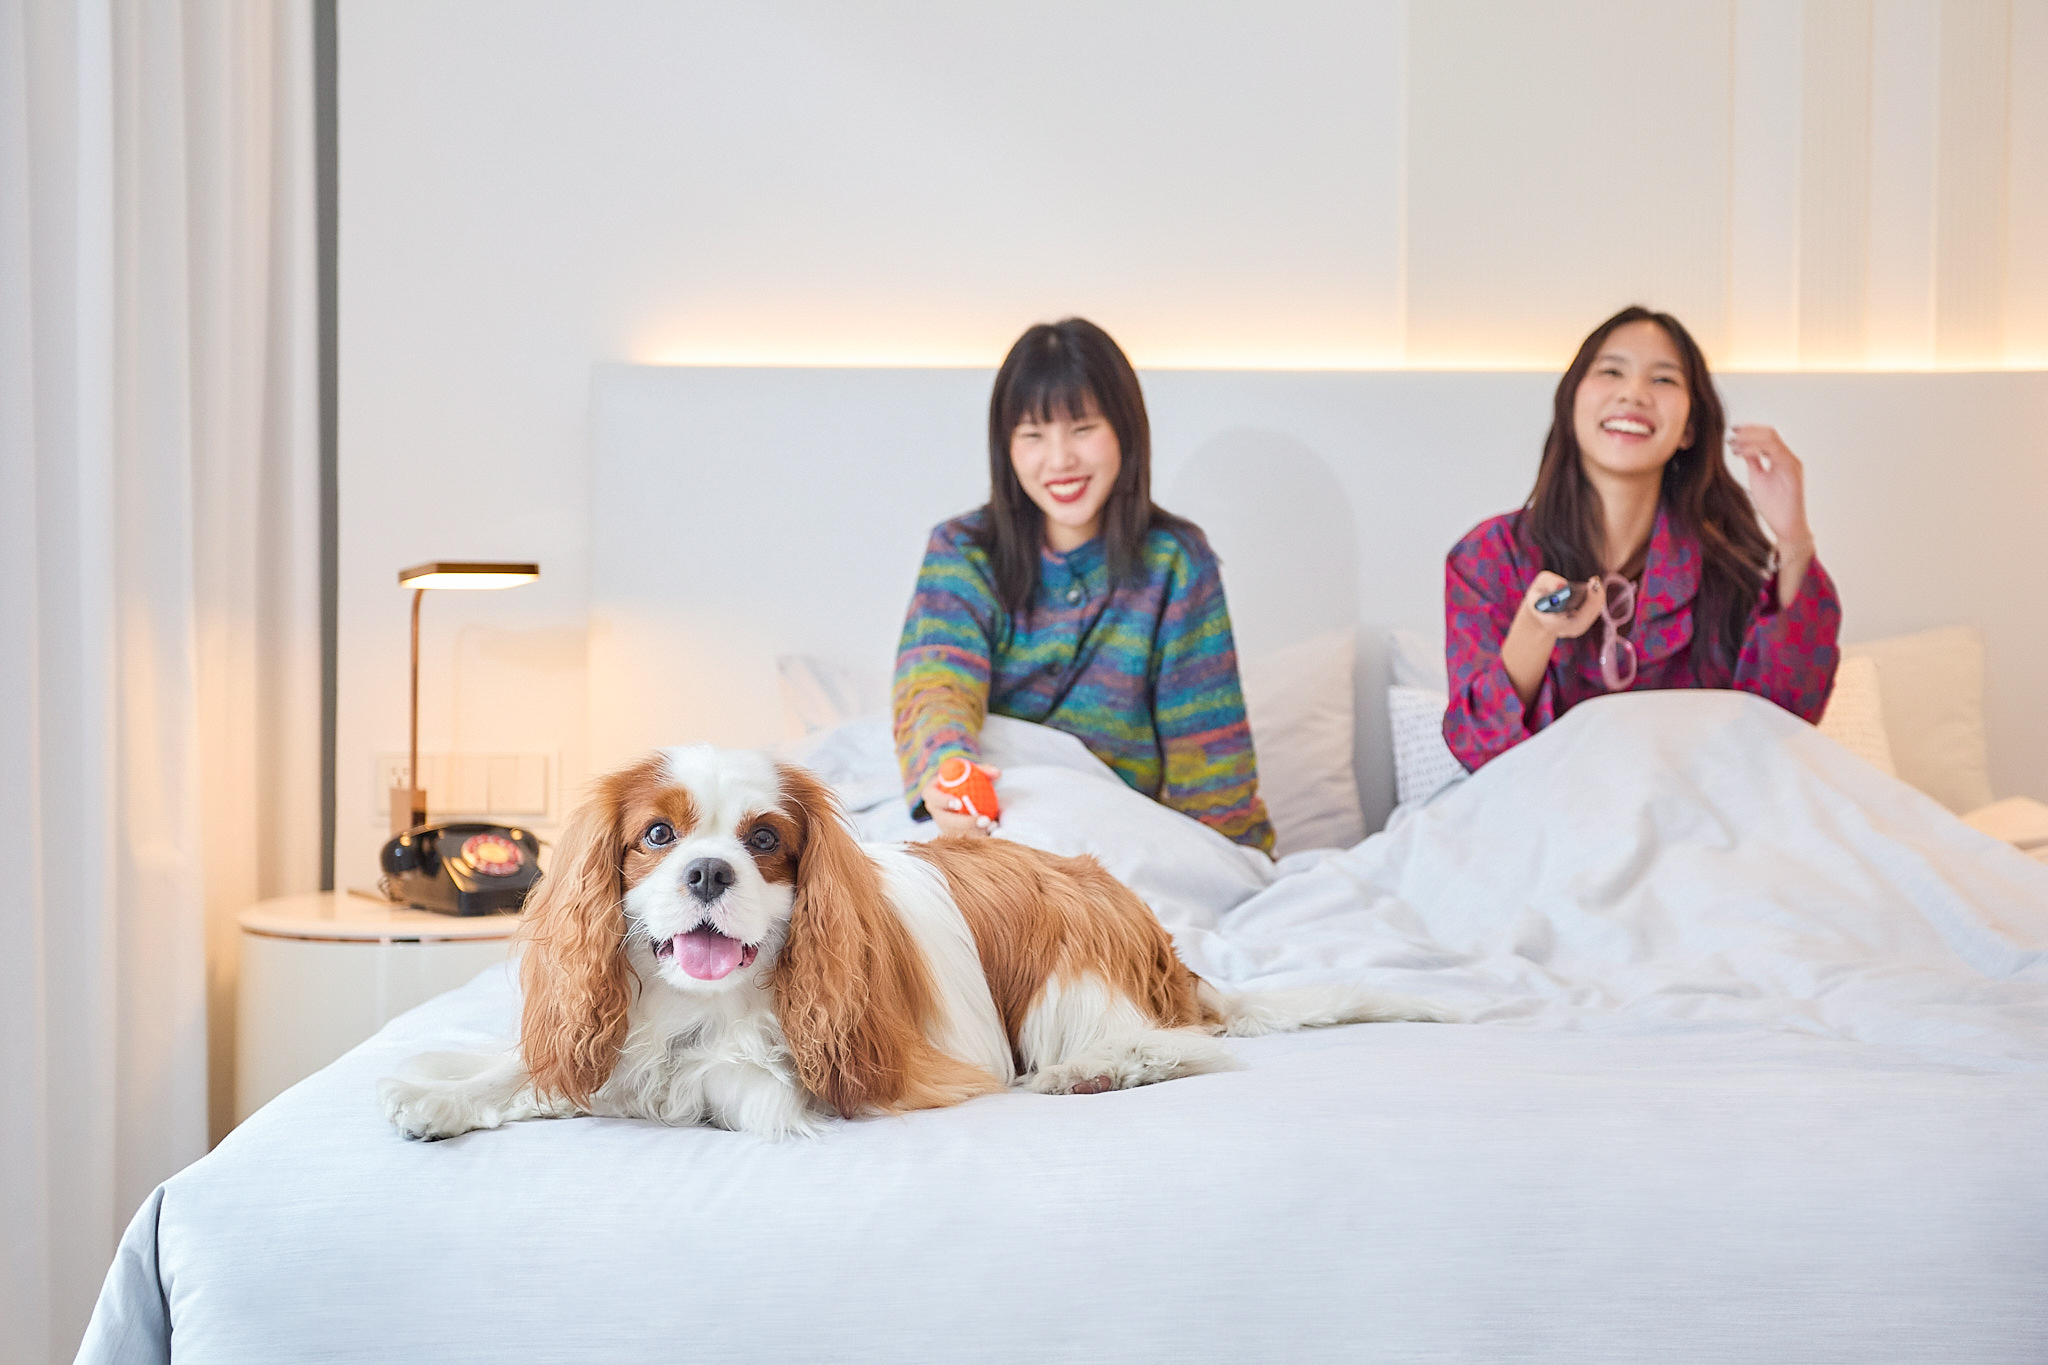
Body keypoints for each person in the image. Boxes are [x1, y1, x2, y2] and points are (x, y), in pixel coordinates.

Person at [892, 317, 1275, 852]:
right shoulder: (963, 550)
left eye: (1082, 428)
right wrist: (951, 770)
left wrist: (1241, 865)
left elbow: (1208, 758)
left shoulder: (1176, 565)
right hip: (983, 816)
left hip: (1105, 830)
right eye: (1032, 435)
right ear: (1007, 448)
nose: (1060, 460)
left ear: (1125, 429)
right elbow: (936, 681)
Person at [1443, 305, 1841, 772]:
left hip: (1699, 826)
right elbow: (1476, 750)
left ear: (1690, 427)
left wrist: (1793, 537)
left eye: (1664, 380)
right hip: (1551, 826)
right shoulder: (1490, 556)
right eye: (1612, 371)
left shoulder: (1724, 566)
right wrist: (1535, 629)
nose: (1634, 393)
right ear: (1572, 402)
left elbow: (1786, 721)